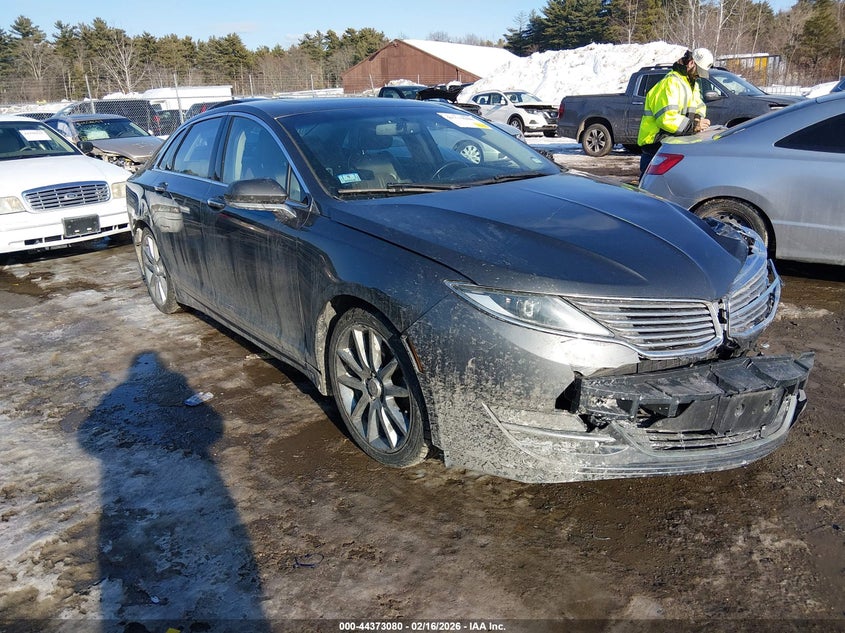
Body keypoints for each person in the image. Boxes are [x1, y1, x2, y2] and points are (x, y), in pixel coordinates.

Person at [637, 47, 714, 178]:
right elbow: (666, 118)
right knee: (651, 193)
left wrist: (699, 119)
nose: (699, 76)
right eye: (698, 72)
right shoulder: (671, 83)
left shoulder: (691, 84)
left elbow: (699, 105)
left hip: (669, 146)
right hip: (655, 146)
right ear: (691, 63)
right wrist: (693, 126)